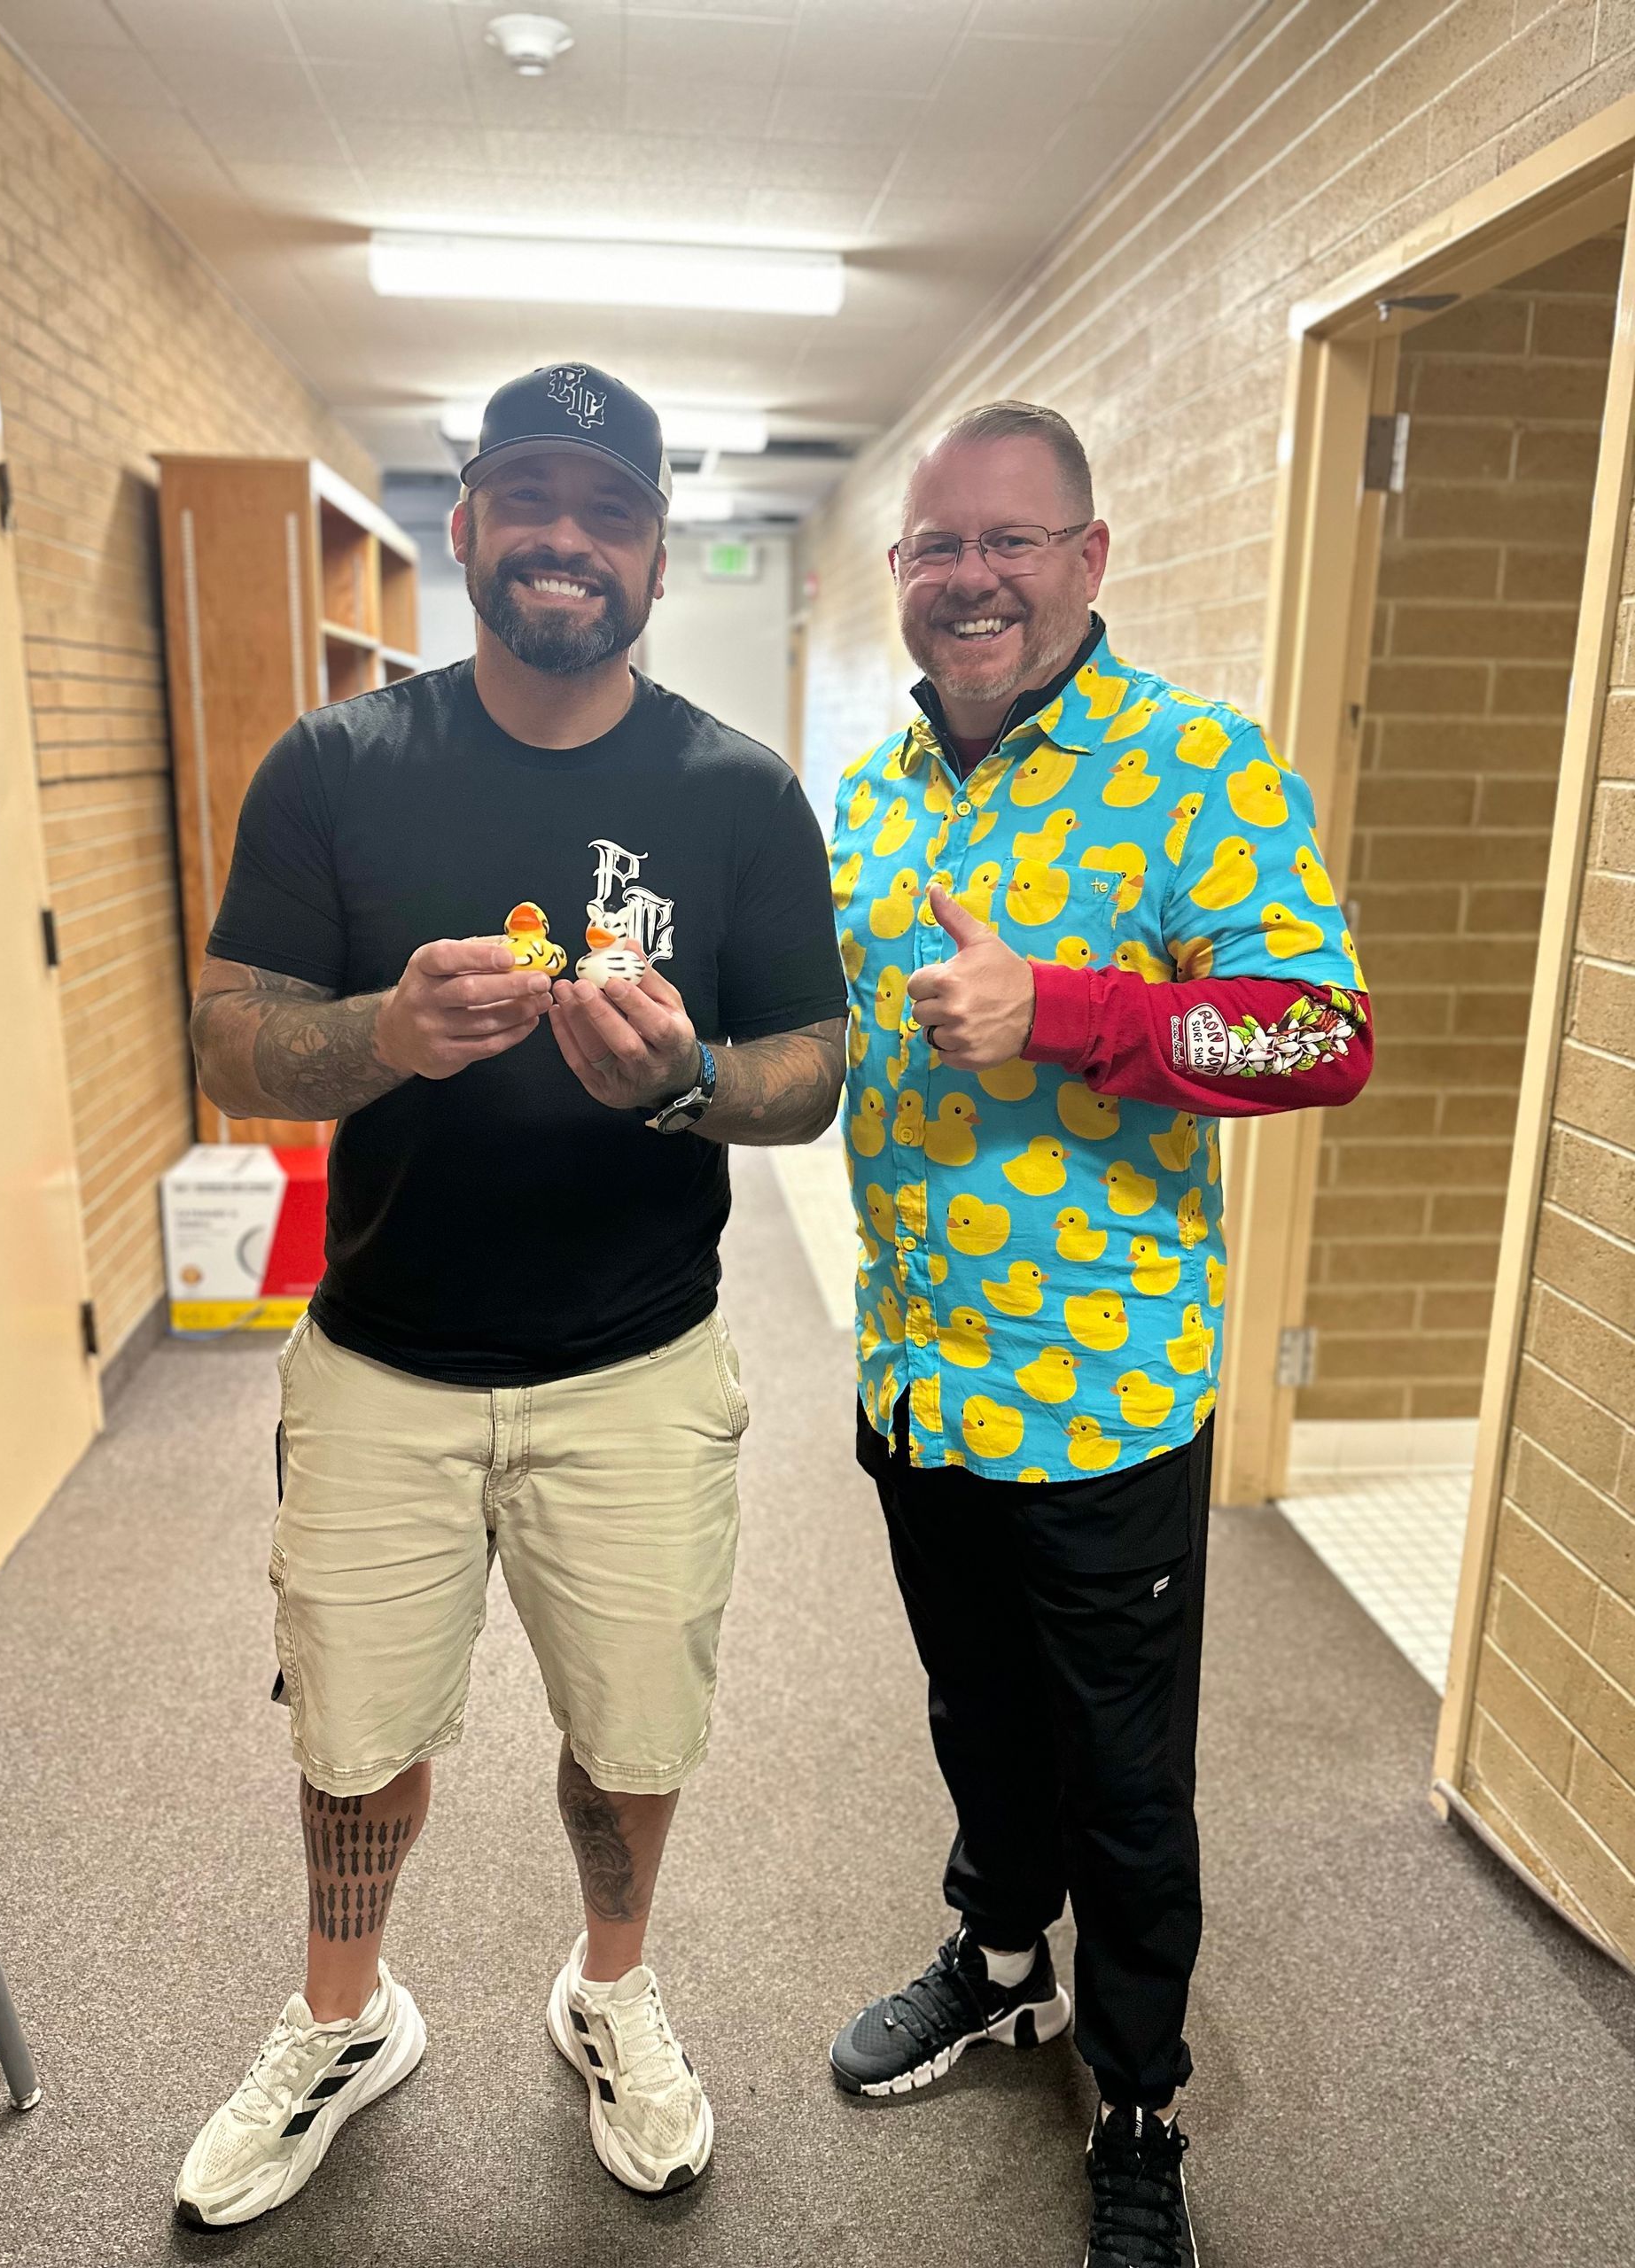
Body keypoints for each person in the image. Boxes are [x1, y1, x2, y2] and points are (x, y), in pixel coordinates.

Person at [174, 363, 847, 2229]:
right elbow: (232, 1036)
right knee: (355, 1732)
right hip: (383, 1357)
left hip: (637, 1361)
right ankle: (346, 2011)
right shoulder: (335, 765)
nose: (567, 539)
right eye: (527, 500)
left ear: (651, 547)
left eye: (607, 510)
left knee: (635, 1731)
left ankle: (608, 1983)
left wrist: (688, 1077)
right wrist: (381, 1035)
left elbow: (817, 1062)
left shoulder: (735, 792)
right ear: (464, 524)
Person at [825, 400, 1371, 2267]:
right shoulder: (875, 785)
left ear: (1089, 559)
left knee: (1126, 1781)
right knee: (976, 1714)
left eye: (1009, 540)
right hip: (916, 1372)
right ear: (897, 574)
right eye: (934, 547)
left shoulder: (1197, 769)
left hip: (1101, 1397)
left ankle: (1137, 2101)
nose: (969, 577)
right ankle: (996, 1959)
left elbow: (1321, 1037)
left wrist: (1066, 1008)